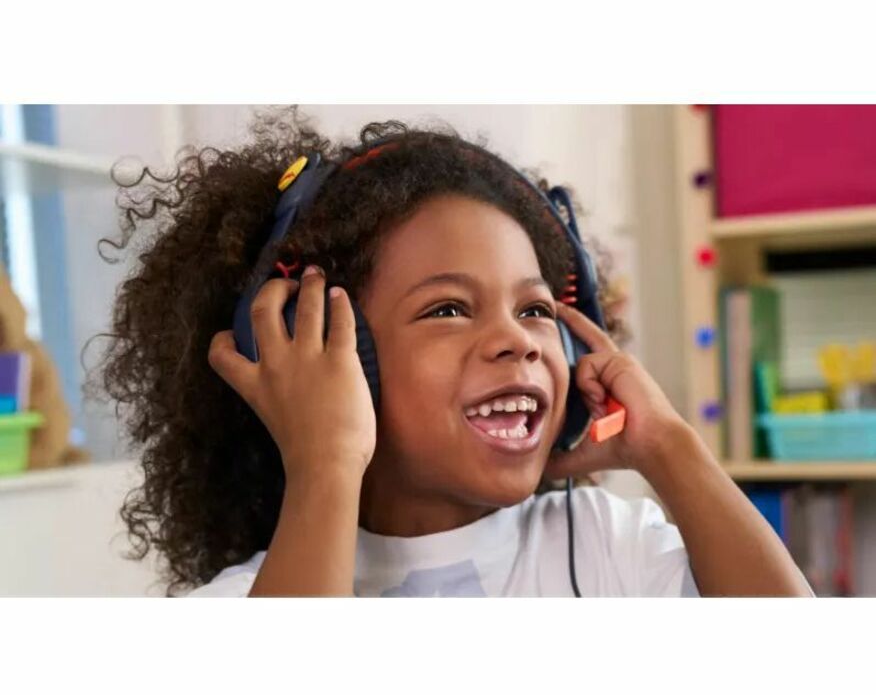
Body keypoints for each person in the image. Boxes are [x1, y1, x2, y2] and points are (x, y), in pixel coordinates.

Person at [98, 108, 812, 597]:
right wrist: (323, 465)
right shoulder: (259, 595)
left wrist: (671, 449)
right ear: (321, 361)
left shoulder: (607, 546)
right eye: (447, 309)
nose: (516, 340)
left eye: (536, 310)